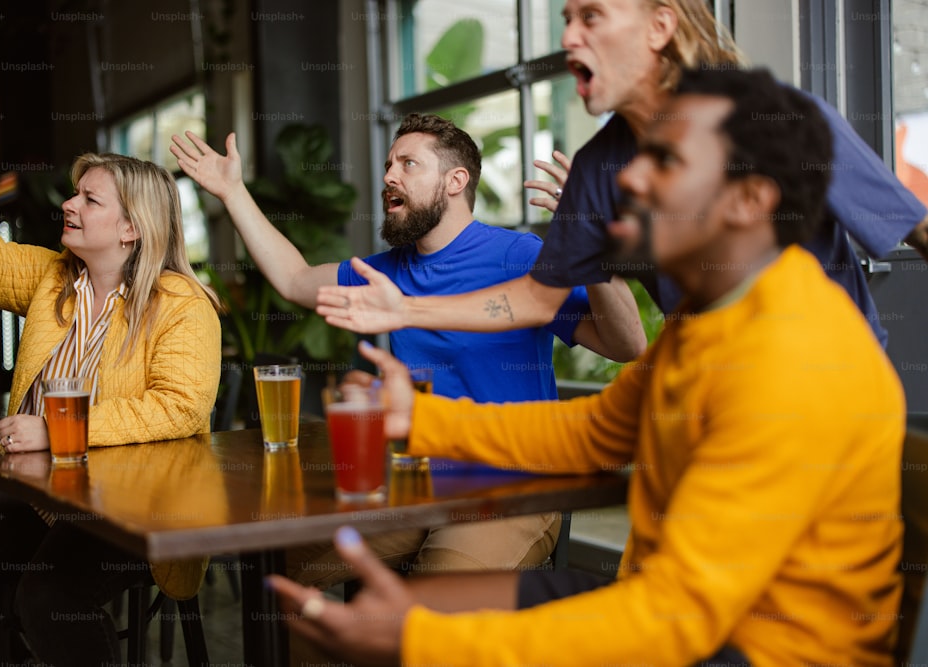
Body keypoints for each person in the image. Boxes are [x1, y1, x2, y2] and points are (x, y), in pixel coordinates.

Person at [269, 67, 906, 667]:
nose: (627, 180)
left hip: (749, 650)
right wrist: (422, 419)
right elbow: (587, 432)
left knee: (425, 631)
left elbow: (675, 619)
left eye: (666, 161)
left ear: (746, 201)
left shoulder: (793, 358)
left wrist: (423, 637)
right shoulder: (713, 322)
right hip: (675, 607)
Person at [170, 113, 646, 587]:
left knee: (430, 605)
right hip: (412, 484)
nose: (388, 176)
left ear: (455, 180)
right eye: (389, 164)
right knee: (277, 576)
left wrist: (593, 248)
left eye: (408, 164)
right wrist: (232, 192)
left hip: (512, 488)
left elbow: (627, 344)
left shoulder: (517, 255)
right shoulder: (384, 272)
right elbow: (295, 280)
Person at [313, 0, 928, 350]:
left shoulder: (779, 119)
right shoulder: (597, 170)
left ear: (660, 27)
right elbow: (532, 299)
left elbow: (915, 228)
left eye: (592, 17)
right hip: (705, 400)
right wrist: (407, 310)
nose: (569, 35)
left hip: (828, 394)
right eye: (567, 18)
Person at [0, 153, 222, 666]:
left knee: (47, 600)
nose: (69, 203)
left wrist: (57, 429)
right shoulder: (52, 279)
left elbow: (179, 407)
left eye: (90, 198)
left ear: (131, 226)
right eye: (75, 193)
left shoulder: (182, 304)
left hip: (132, 506)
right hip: (40, 495)